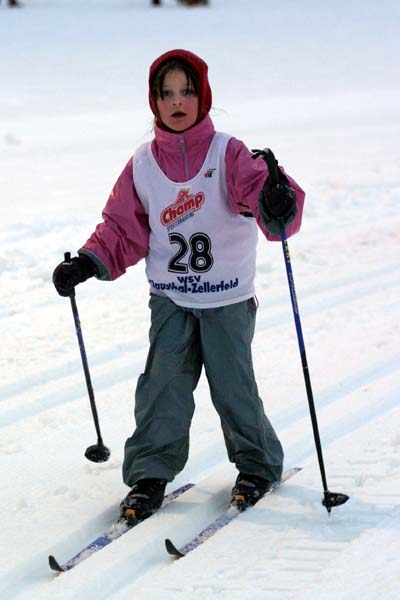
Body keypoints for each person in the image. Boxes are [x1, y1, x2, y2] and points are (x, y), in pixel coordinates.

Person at [53, 49, 305, 522]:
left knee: (232, 386)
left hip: (227, 297)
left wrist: (276, 198)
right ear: (154, 100)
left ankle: (257, 465)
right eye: (166, 93)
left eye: (186, 91)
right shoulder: (143, 164)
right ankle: (150, 473)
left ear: (202, 96)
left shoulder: (228, 153)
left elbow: (264, 198)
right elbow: (122, 226)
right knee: (162, 385)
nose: (176, 102)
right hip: (171, 297)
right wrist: (87, 261)